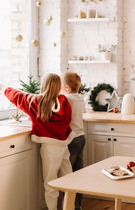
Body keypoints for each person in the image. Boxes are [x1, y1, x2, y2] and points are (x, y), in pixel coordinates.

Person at [4, 73, 74, 210]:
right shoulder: (64, 101)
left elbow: (18, 96)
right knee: (68, 178)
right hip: (63, 145)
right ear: (59, 86)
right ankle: (69, 207)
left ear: (44, 85)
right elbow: (67, 121)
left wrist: (4, 89)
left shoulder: (36, 102)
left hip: (50, 148)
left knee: (50, 182)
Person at [62, 71, 85, 210]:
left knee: (67, 174)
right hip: (81, 138)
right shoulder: (80, 98)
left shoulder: (66, 99)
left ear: (67, 87)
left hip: (71, 139)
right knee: (79, 172)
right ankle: (78, 205)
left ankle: (67, 206)